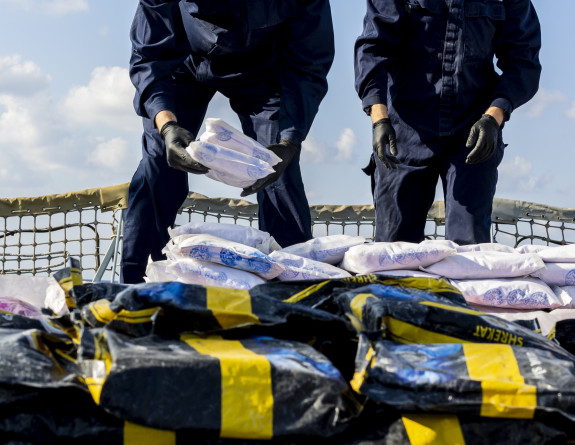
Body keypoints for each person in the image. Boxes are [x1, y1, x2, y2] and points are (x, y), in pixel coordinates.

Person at [122, 0, 335, 284]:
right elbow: (148, 57)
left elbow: (309, 65)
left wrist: (290, 141)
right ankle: (136, 286)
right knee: (158, 163)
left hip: (262, 68)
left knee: (277, 171)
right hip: (181, 62)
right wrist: (167, 126)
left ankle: (294, 286)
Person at [354, 0, 542, 244]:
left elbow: (523, 60)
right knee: (394, 250)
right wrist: (379, 119)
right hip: (404, 133)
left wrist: (493, 118)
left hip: (474, 134)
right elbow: (373, 48)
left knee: (469, 252)